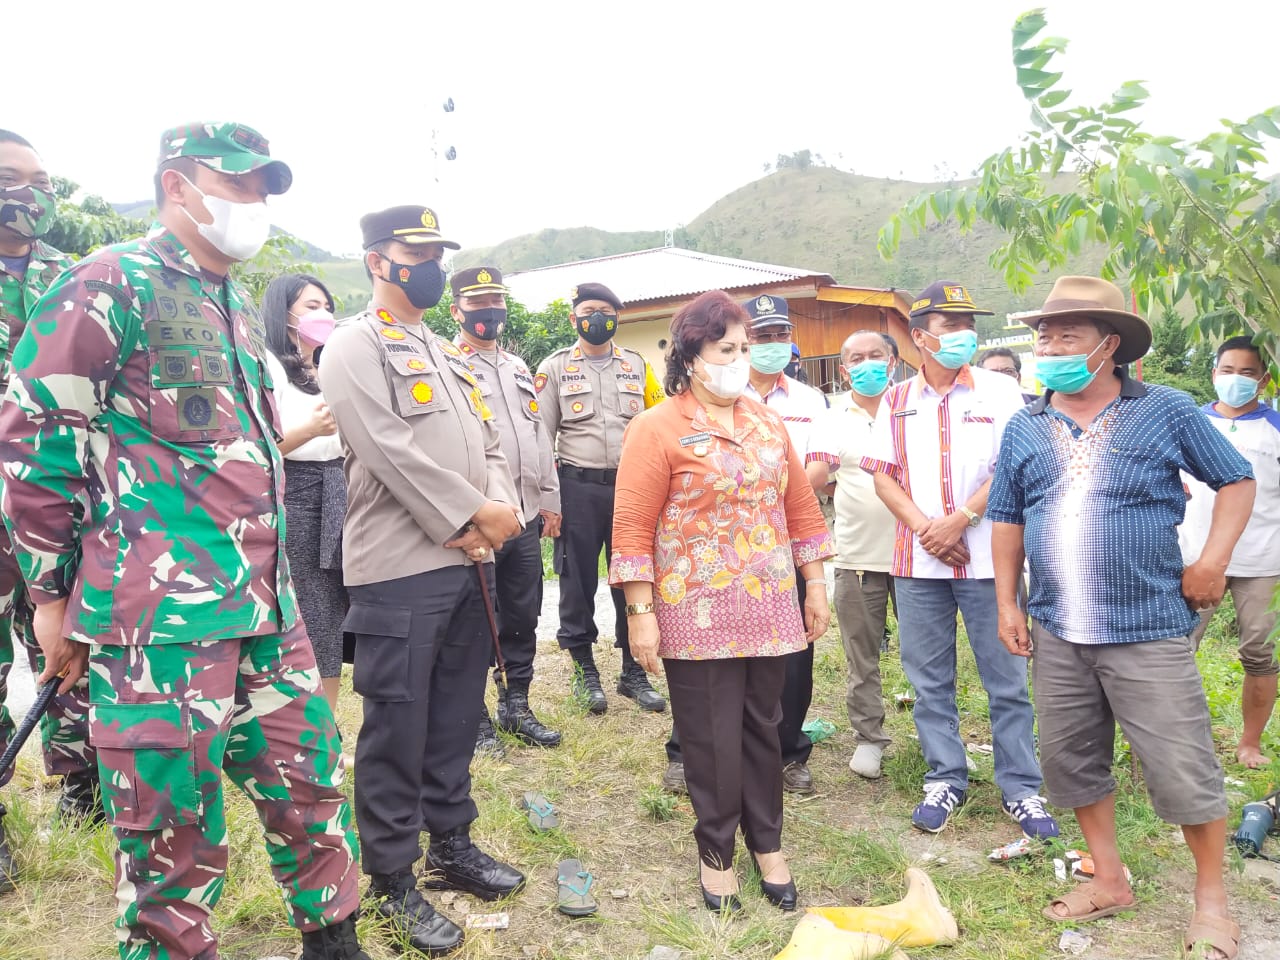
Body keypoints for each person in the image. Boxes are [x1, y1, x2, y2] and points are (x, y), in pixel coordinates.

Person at [0, 122, 369, 960]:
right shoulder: (110, 281)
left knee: (310, 783)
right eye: (237, 185)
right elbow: (33, 443)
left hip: (267, 612)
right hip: (157, 626)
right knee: (168, 829)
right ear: (178, 185)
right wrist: (53, 597)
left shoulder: (232, 301)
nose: (255, 204)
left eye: (265, 189)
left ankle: (334, 939)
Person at [988, 276, 1253, 960]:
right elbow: (1007, 518)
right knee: (1072, 762)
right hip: (1055, 627)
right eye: (1044, 336)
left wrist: (1212, 562)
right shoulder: (1026, 423)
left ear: (1110, 345)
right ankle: (1109, 878)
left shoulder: (1164, 409)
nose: (1050, 347)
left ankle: (1213, 903)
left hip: (1148, 626)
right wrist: (1007, 603)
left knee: (1183, 765)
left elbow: (1236, 480)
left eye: (1067, 335)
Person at [320, 205, 526, 957]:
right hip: (401, 569)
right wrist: (472, 512)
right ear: (380, 260)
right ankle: (392, 878)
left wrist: (499, 508)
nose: (432, 265)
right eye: (418, 252)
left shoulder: (444, 348)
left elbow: (489, 437)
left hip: (469, 560)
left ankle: (453, 843)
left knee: (454, 715)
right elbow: (384, 446)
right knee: (395, 729)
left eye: (440, 252)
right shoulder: (353, 344)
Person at [610, 290, 833, 913]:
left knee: (766, 726)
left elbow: (800, 509)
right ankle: (715, 853)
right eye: (725, 349)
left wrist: (814, 584)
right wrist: (640, 614)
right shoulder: (656, 427)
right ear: (692, 355)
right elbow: (631, 529)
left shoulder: (767, 422)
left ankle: (769, 845)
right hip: (693, 610)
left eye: (745, 348)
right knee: (709, 737)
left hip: (768, 605)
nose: (739, 359)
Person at [860, 280, 1057, 839]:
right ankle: (945, 776)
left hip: (989, 563)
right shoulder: (895, 401)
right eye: (951, 327)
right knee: (928, 681)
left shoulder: (999, 391)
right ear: (920, 337)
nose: (964, 335)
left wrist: (961, 519)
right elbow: (882, 474)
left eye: (969, 324)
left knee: (1007, 679)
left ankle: (1021, 786)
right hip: (918, 562)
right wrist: (928, 528)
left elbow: (1014, 468)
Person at [0, 129, 102, 892]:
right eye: (13, 178)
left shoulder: (71, 276)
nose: (32, 192)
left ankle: (79, 781)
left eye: (41, 180)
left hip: (61, 501)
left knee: (66, 645)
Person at [535, 283, 665, 714]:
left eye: (607, 311)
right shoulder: (554, 369)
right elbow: (541, 437)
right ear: (574, 318)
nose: (598, 318)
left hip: (631, 489)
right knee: (577, 582)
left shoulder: (636, 364)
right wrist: (548, 500)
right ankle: (584, 671)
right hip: (576, 488)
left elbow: (657, 423)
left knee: (631, 577)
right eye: (590, 310)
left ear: (616, 318)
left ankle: (632, 669)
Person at [448, 266, 562, 753]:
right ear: (456, 310)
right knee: (477, 620)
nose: (488, 311)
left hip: (527, 514)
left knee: (522, 614)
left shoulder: (518, 367)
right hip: (482, 519)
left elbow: (539, 437)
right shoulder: (446, 364)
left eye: (496, 300)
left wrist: (550, 499)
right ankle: (473, 720)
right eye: (477, 303)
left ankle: (516, 705)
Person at [1177, 335, 1280, 768]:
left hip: (1263, 561)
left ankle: (1250, 742)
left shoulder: (1274, 426)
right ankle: (1177, 746)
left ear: (1264, 380)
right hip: (1194, 560)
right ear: (1213, 372)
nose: (1235, 380)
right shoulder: (1190, 422)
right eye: (1227, 370)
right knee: (1176, 650)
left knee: (1261, 654)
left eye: (1247, 372)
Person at [809, 330, 901, 780]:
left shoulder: (912, 407)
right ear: (844, 370)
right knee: (860, 657)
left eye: (875, 356)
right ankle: (870, 738)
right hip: (856, 558)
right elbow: (816, 473)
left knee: (927, 658)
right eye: (856, 358)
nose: (867, 364)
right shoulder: (831, 418)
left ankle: (942, 739)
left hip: (917, 558)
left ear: (893, 361)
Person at [261, 273, 347, 715]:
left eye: (326, 305)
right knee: (308, 615)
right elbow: (256, 451)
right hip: (295, 494)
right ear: (283, 312)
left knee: (331, 616)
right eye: (310, 306)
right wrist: (308, 431)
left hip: (339, 490)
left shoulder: (331, 365)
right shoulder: (267, 368)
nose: (322, 315)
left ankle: (327, 732)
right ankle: (307, 737)